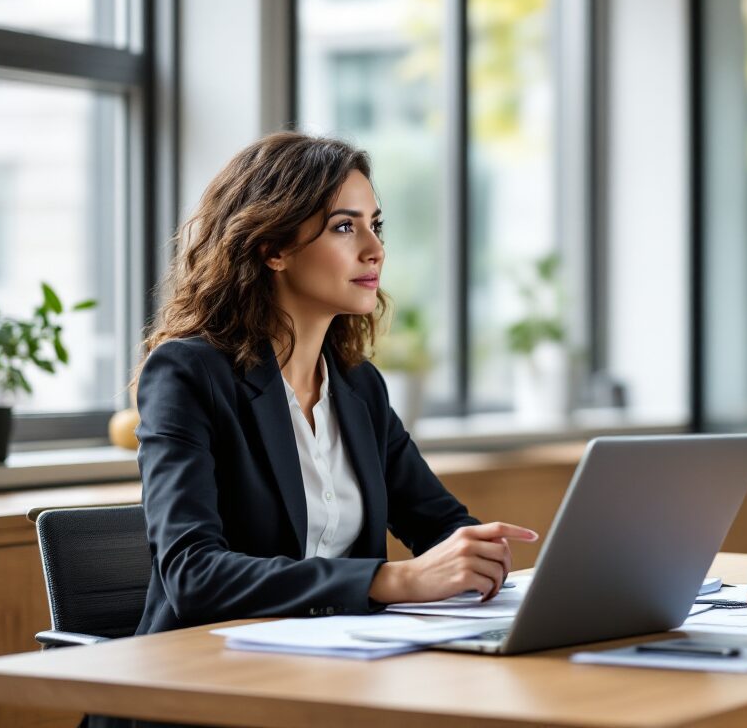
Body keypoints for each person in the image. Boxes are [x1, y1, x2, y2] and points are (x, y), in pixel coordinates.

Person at [134, 132, 537, 636]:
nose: (375, 250)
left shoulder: (358, 387)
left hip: (340, 663)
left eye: (376, 225)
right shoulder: (188, 374)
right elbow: (193, 576)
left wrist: (477, 554)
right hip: (201, 675)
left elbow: (438, 523)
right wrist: (391, 579)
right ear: (273, 249)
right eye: (345, 227)